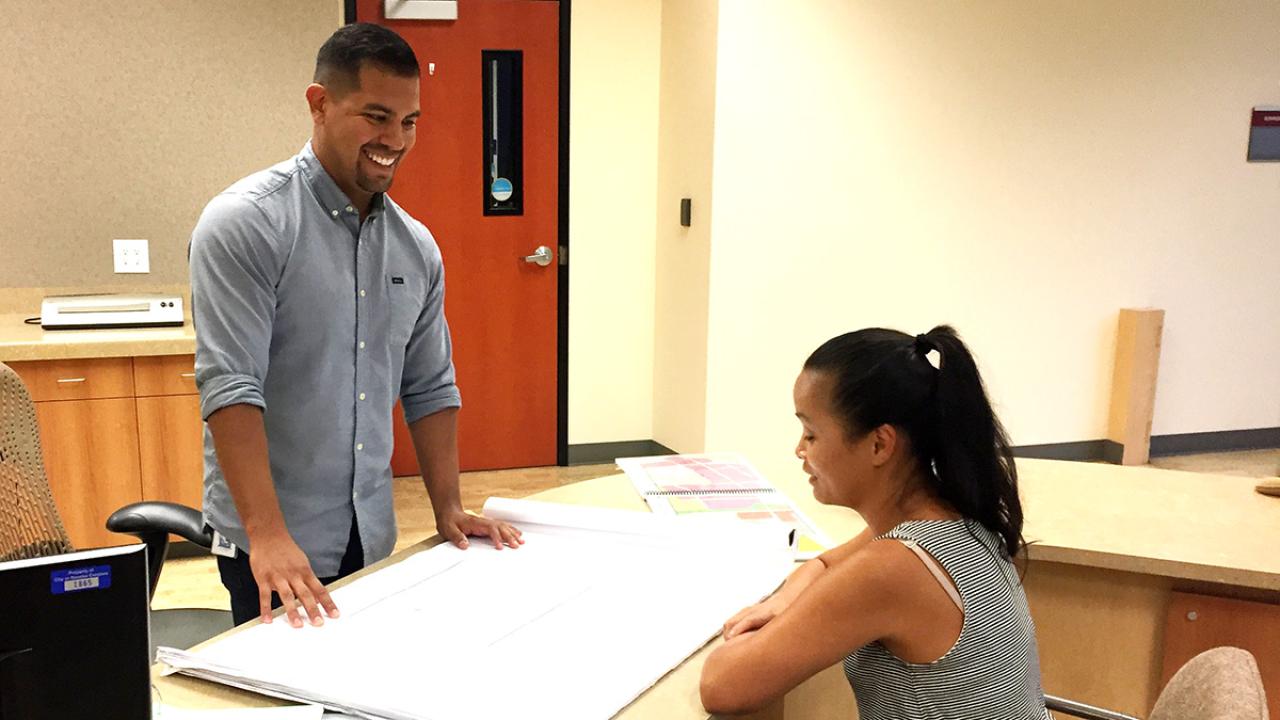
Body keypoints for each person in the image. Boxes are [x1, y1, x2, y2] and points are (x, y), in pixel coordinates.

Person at [189, 23, 522, 631]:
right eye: (376, 117)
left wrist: (448, 508)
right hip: (273, 543)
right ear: (319, 104)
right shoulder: (247, 224)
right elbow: (231, 389)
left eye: (409, 121)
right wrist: (267, 537)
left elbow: (430, 387)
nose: (394, 139)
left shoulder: (416, 247)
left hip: (371, 532)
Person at [700, 326, 1050, 719]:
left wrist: (786, 617)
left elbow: (723, 686)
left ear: (880, 444)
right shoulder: (945, 516)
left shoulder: (897, 566)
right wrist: (784, 603)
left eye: (811, 434)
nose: (799, 449)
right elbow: (826, 564)